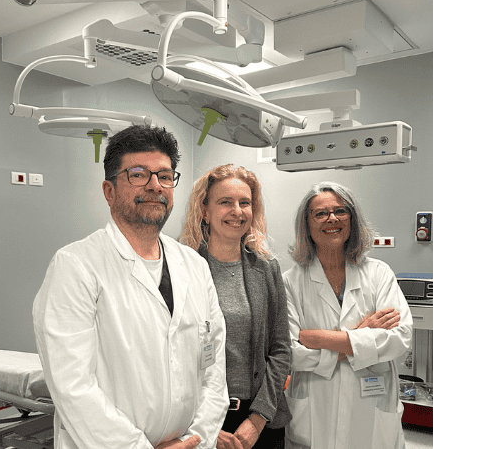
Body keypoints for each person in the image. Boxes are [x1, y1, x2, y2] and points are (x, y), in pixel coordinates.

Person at [33, 125, 229, 449]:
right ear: (109, 191)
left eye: (165, 176)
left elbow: (214, 368)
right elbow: (73, 386)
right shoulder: (75, 266)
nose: (155, 185)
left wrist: (196, 440)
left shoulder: (194, 266)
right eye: (138, 175)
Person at [282, 182, 413, 449]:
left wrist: (316, 338)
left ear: (352, 219)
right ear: (306, 223)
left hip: (371, 409)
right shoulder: (290, 282)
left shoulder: (379, 273)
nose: (332, 218)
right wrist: (362, 336)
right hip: (315, 411)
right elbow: (291, 353)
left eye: (340, 211)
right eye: (320, 213)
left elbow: (400, 338)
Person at [179, 164, 291, 449]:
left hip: (261, 419)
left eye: (245, 203)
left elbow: (281, 349)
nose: (237, 211)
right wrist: (205, 425)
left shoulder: (267, 269)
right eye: (225, 202)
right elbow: (173, 354)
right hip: (200, 419)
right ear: (205, 211)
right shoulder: (182, 269)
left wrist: (258, 419)